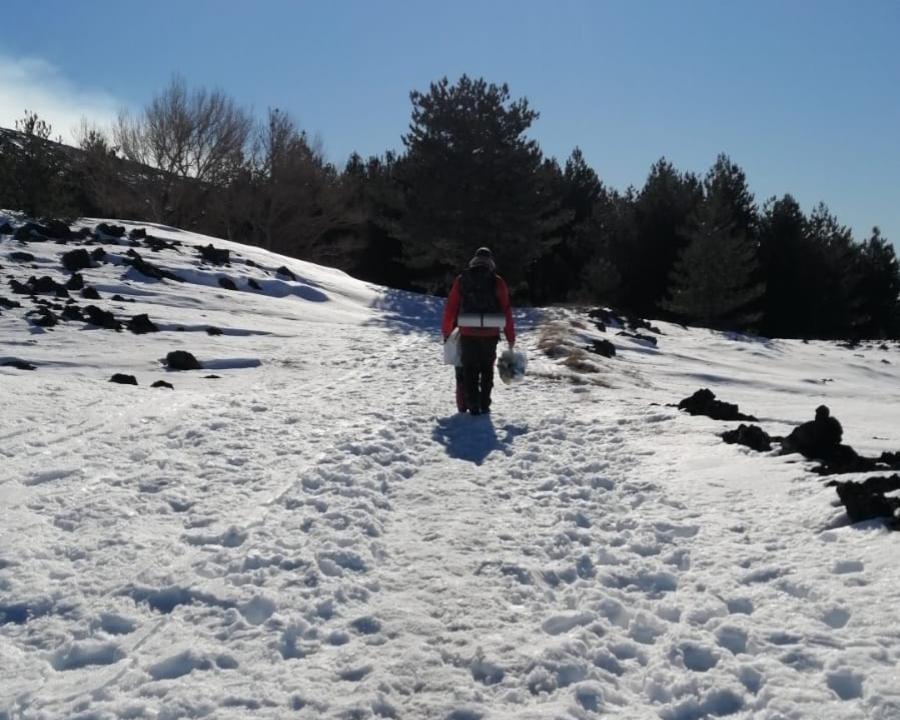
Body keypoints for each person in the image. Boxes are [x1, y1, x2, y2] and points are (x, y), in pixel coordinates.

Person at [441, 247, 515, 415]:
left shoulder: (462, 280)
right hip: (490, 333)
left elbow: (451, 308)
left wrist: (446, 331)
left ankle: (473, 404)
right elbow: (506, 310)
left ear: (474, 260)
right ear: (491, 262)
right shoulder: (497, 281)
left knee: (470, 368)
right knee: (487, 368)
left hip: (467, 331)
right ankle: (485, 404)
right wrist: (510, 337)